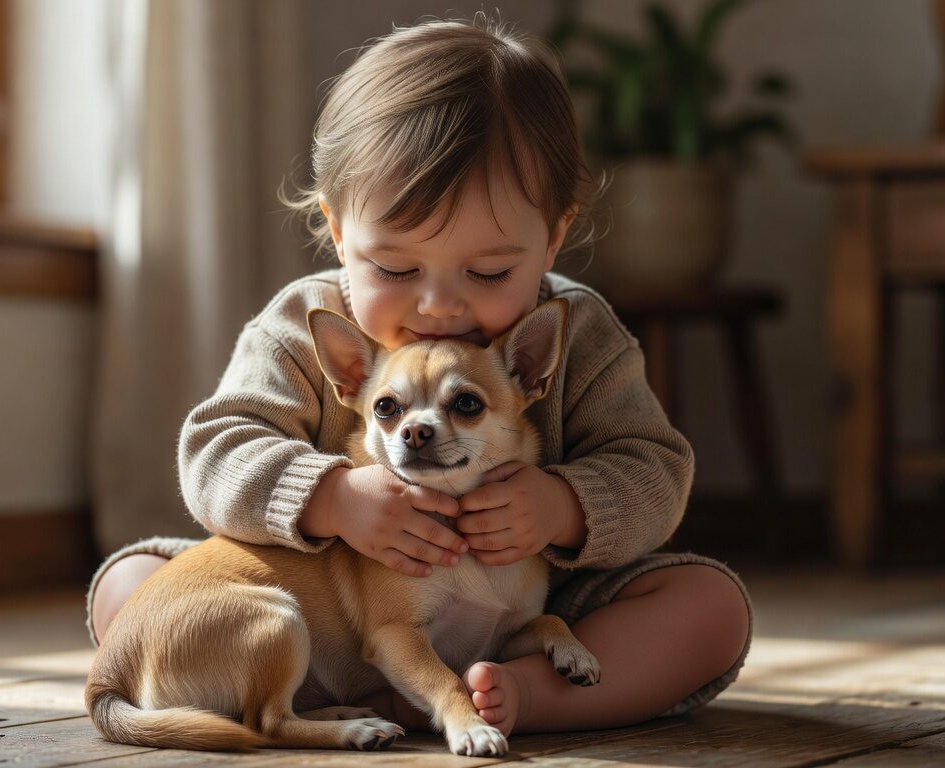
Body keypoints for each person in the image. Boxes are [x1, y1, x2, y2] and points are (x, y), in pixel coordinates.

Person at [87, 15, 751, 737]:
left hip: (534, 605)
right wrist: (331, 499)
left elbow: (655, 467)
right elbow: (214, 450)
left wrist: (563, 506)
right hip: (316, 615)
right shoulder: (301, 327)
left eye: (490, 270)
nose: (439, 305)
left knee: (711, 609)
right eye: (397, 269)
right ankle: (324, 689)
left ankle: (522, 694)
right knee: (131, 589)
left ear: (552, 237)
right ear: (339, 233)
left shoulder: (575, 332)